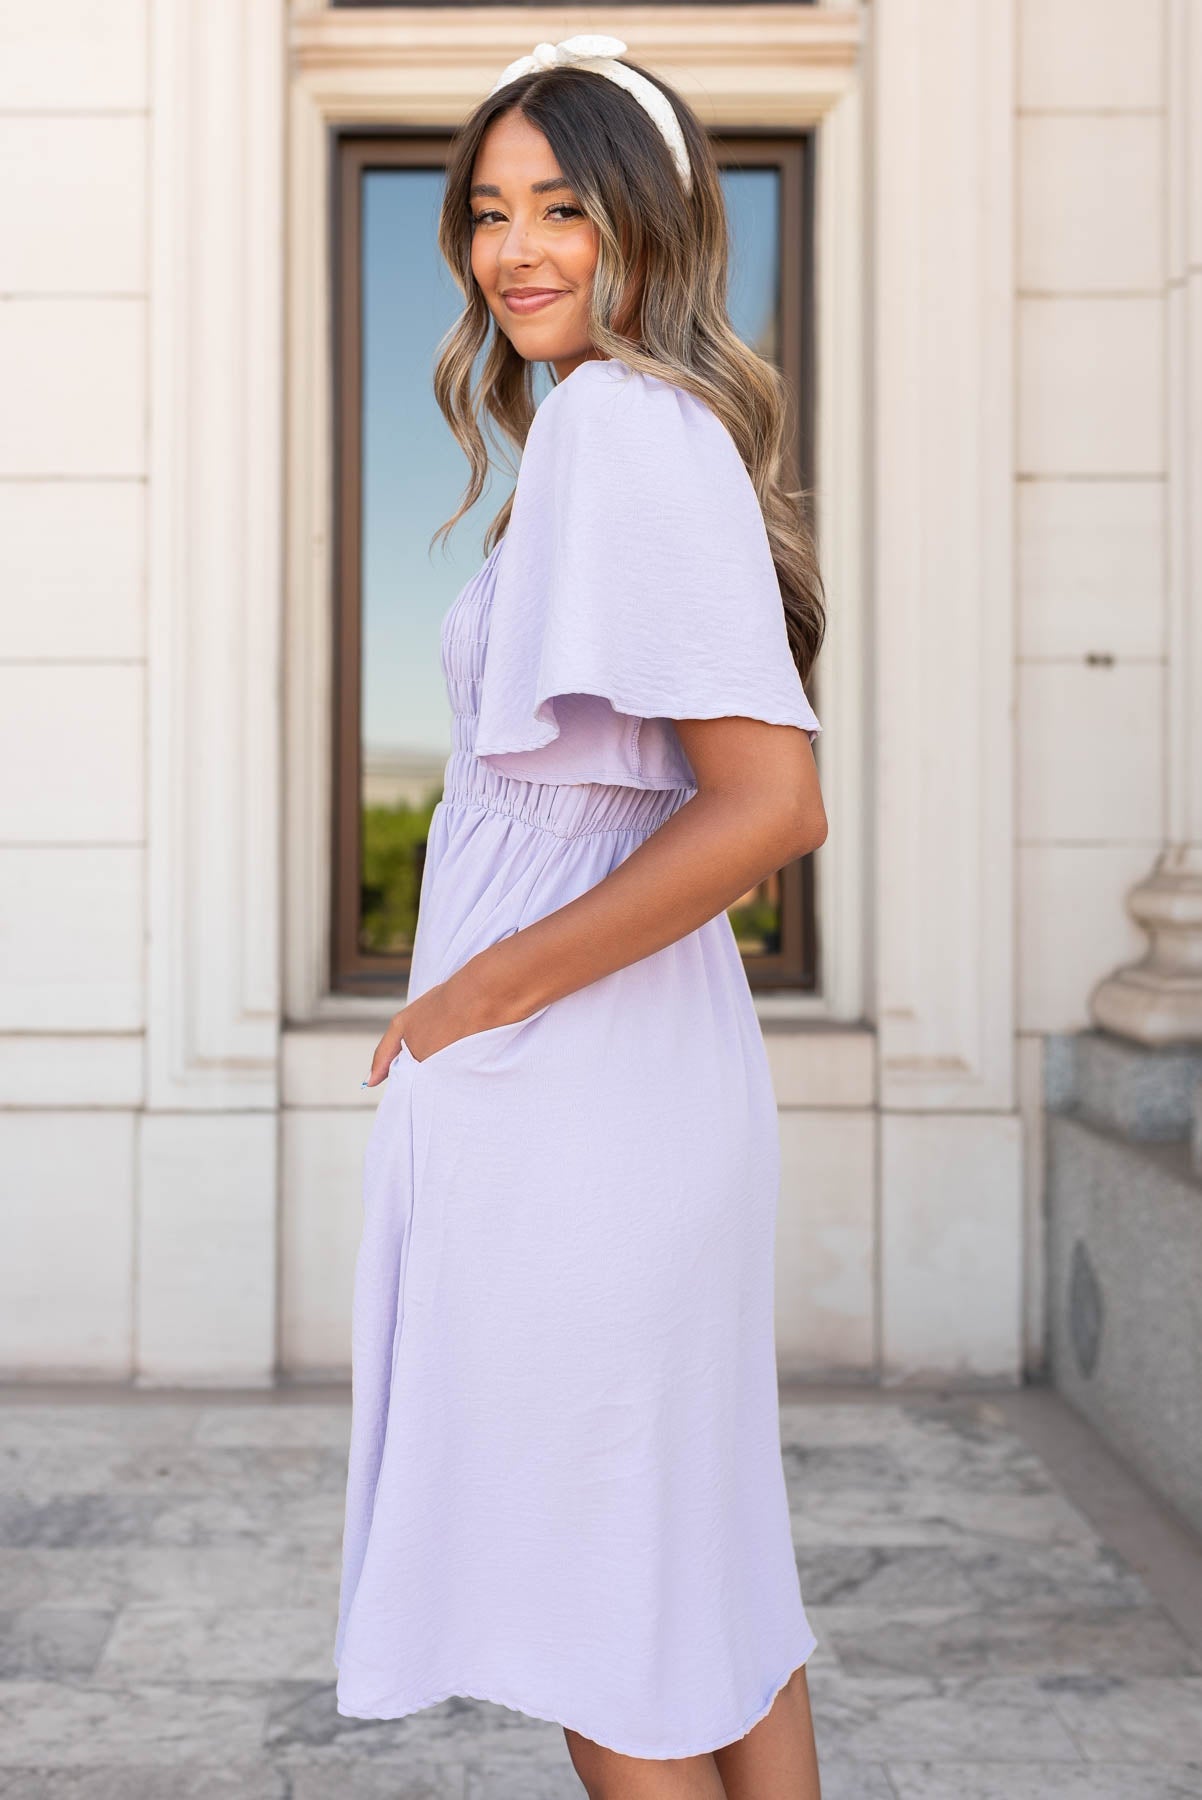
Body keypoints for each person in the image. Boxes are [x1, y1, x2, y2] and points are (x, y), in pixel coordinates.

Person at [334, 34, 828, 1800]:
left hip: (578, 1091)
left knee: (589, 1585)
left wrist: (472, 999)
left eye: (561, 208)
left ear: (647, 227)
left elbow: (771, 807)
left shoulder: (621, 425)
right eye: (485, 212)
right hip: (621, 1075)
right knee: (684, 1577)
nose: (513, 249)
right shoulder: (629, 433)